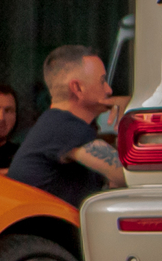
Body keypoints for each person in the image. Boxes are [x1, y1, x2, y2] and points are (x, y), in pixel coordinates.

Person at [8, 46, 124, 206]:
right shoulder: (63, 126)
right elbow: (127, 174)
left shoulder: (57, 124)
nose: (109, 90)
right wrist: (135, 110)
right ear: (77, 88)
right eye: (102, 81)